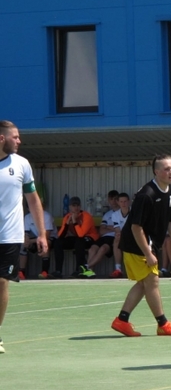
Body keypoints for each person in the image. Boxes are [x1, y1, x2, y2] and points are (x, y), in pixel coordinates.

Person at [110, 155, 171, 337]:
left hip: (149, 244)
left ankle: (122, 320)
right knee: (152, 281)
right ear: (156, 172)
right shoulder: (146, 195)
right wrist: (148, 252)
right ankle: (163, 324)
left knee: (144, 284)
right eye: (167, 169)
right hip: (136, 244)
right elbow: (136, 227)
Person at [0, 120, 48, 354]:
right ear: (2, 139)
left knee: (1, 282)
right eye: (15, 137)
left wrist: (42, 234)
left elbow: (33, 200)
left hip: (10, 236)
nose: (19, 141)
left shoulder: (22, 164)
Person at [82, 192, 130, 278]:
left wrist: (109, 228)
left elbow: (120, 230)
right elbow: (101, 231)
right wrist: (113, 228)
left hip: (114, 237)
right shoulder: (109, 214)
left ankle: (87, 266)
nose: (114, 201)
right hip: (106, 237)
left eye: (115, 199)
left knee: (103, 248)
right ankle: (89, 272)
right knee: (92, 249)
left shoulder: (131, 212)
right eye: (111, 199)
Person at [51, 197, 99, 278]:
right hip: (78, 238)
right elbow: (60, 236)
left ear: (80, 206)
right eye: (73, 205)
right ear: (70, 207)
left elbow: (81, 234)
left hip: (90, 238)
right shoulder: (67, 217)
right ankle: (58, 271)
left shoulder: (86, 216)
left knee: (79, 242)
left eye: (78, 205)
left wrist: (74, 221)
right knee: (58, 242)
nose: (76, 208)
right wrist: (67, 224)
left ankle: (79, 270)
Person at [19, 205, 56, 279]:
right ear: (28, 209)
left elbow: (47, 236)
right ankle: (21, 272)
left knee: (44, 244)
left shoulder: (46, 216)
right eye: (31, 207)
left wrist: (31, 241)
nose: (34, 209)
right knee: (23, 245)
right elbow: (26, 233)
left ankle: (45, 272)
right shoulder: (27, 217)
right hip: (35, 239)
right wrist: (26, 241)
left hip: (51, 239)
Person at [109, 192, 131, 278]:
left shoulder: (134, 212)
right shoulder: (115, 215)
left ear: (129, 202)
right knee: (117, 239)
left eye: (125, 201)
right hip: (123, 236)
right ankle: (118, 269)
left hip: (134, 236)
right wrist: (119, 234)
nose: (123, 204)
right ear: (118, 202)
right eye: (121, 201)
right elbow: (117, 229)